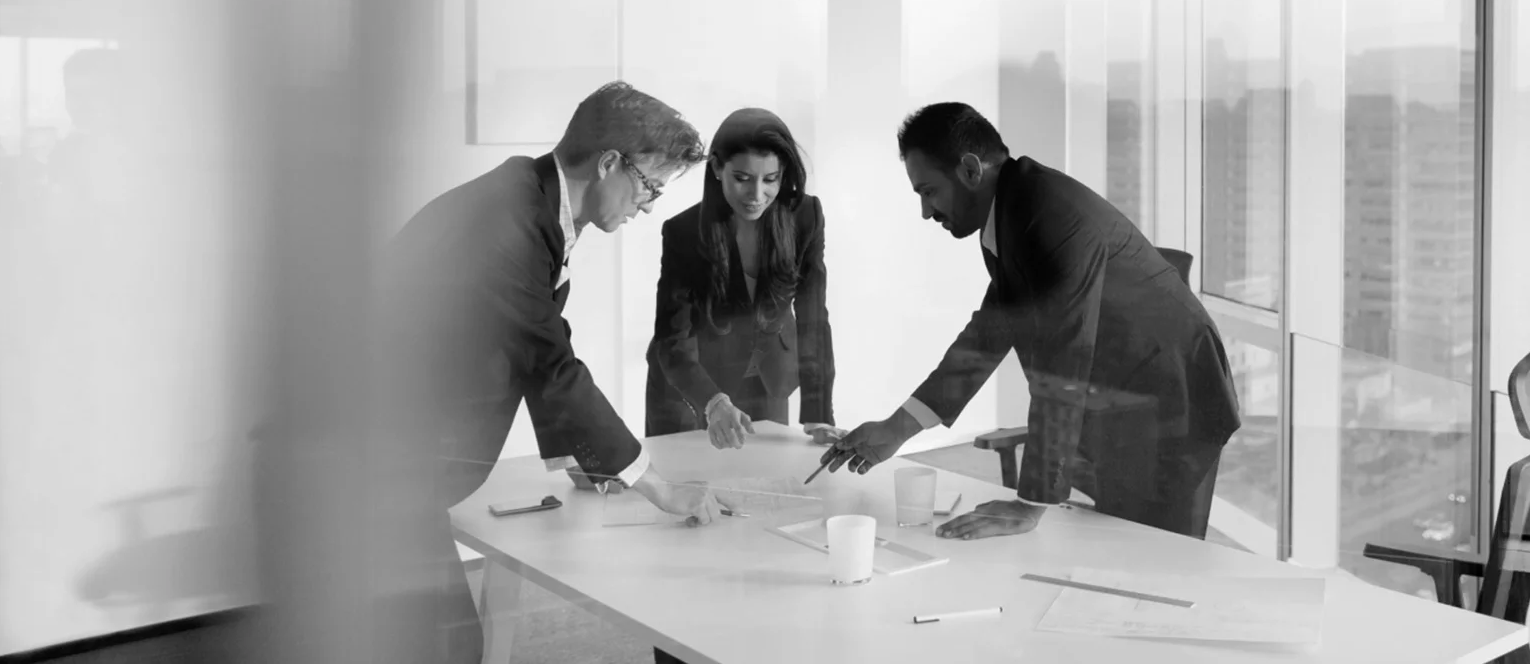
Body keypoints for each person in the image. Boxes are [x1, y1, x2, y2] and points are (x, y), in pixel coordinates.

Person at [376, 81, 733, 663]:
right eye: (650, 186)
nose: (649, 205)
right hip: (371, 470)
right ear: (609, 163)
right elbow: (552, 363)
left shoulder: (528, 202)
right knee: (445, 647)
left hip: (390, 469)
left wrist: (587, 460)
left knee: (446, 644)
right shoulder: (508, 222)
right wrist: (660, 489)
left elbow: (532, 346)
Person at [822, 102, 1241, 542]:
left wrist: (1029, 504)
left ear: (970, 170)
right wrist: (897, 429)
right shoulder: (1010, 216)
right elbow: (987, 336)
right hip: (1123, 396)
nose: (927, 211)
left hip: (1173, 397)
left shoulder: (1050, 216)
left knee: (1156, 555)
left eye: (929, 191)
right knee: (1116, 550)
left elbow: (1063, 360)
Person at [645, 109, 840, 450]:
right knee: (687, 476)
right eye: (742, 178)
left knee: (767, 477)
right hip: (691, 384)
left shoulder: (805, 216)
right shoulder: (683, 232)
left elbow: (813, 318)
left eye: (771, 179)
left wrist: (818, 413)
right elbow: (673, 337)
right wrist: (713, 402)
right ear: (717, 168)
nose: (756, 194)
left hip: (769, 378)